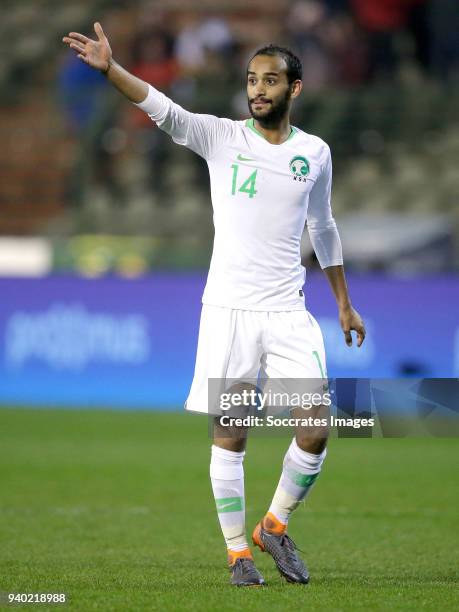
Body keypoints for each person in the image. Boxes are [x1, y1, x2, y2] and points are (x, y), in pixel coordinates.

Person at [63, 22, 366, 588]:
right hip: (227, 311)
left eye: (270, 80)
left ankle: (273, 526)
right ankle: (237, 554)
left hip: (286, 311)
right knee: (231, 433)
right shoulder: (222, 137)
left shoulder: (314, 153)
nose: (258, 89)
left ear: (294, 89)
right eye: (252, 79)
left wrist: (344, 303)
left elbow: (323, 227)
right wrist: (110, 70)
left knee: (318, 428)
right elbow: (164, 109)